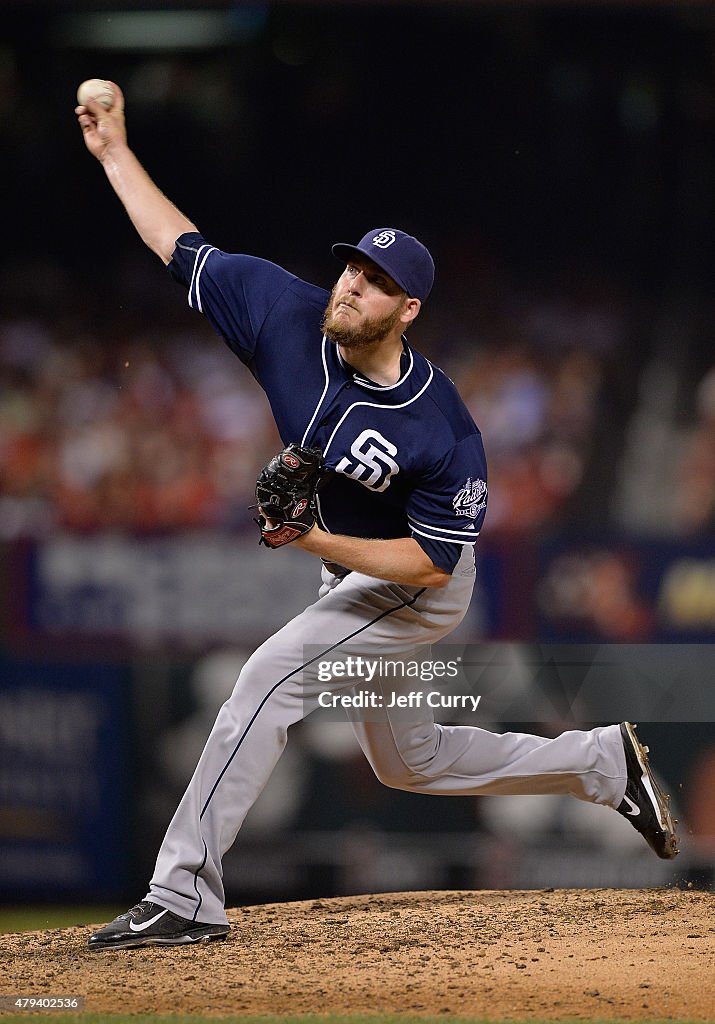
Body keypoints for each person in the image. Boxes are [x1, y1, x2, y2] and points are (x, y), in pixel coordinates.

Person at [76, 83, 678, 951]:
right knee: (409, 762)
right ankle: (599, 761)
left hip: (412, 583)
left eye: (377, 282)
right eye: (354, 267)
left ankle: (184, 895)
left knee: (264, 683)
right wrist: (114, 155)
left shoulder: (443, 426)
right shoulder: (280, 310)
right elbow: (179, 242)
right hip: (349, 570)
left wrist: (309, 536)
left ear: (408, 311)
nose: (354, 285)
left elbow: (432, 563)